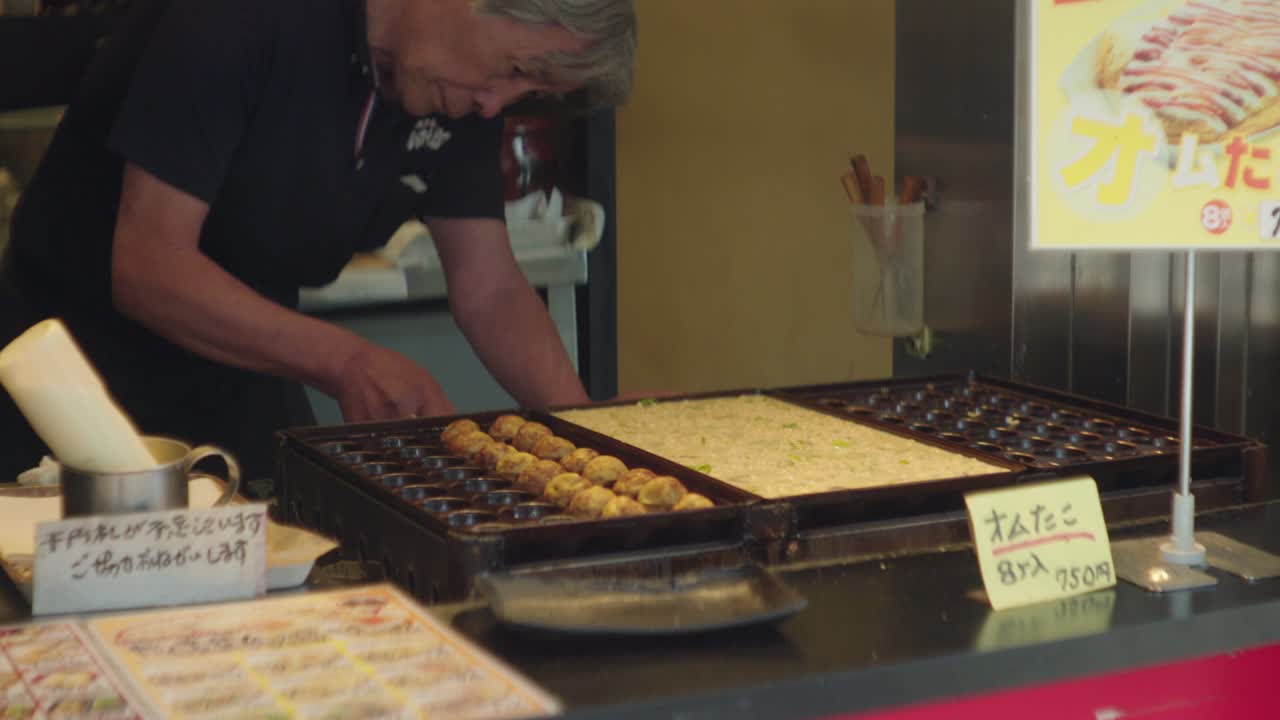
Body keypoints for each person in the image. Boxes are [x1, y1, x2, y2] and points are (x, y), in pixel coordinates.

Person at [0, 0, 636, 484]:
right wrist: (347, 361)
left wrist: (585, 429)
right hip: (59, 372)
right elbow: (148, 265)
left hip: (239, 370)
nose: (496, 104)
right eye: (515, 68)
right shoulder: (244, 18)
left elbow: (491, 286)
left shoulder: (457, 93)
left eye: (528, 92)